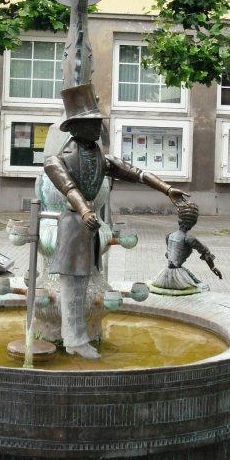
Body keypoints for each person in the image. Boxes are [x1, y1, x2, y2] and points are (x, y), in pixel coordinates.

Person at [44, 83, 189, 359]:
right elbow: (69, 188)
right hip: (74, 225)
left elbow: (136, 172)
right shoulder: (55, 160)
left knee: (84, 282)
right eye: (93, 122)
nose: (99, 126)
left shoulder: (102, 157)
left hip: (88, 227)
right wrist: (86, 211)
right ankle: (73, 340)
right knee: (71, 286)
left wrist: (168, 189)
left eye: (98, 121)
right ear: (75, 126)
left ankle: (77, 336)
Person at [150, 202, 222, 294]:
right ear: (192, 224)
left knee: (195, 282)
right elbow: (205, 252)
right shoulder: (188, 239)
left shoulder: (169, 236)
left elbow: (169, 255)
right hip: (177, 276)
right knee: (201, 287)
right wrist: (213, 267)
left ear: (179, 221)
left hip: (166, 273)